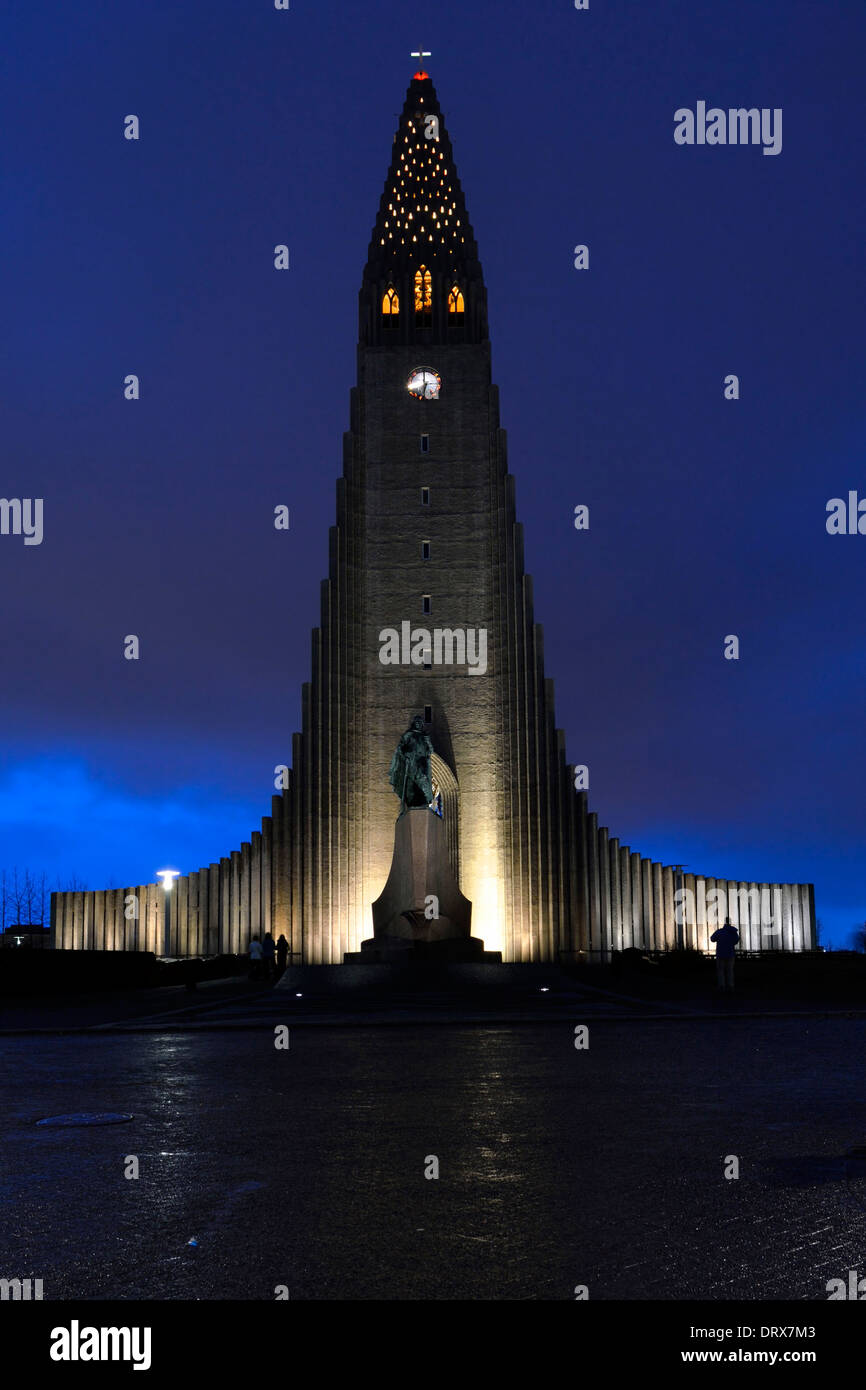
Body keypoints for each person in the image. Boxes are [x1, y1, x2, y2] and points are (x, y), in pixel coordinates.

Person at [710, 917, 739, 994]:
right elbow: (736, 941)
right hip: (730, 954)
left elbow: (712, 939)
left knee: (720, 971)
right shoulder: (733, 932)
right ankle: (730, 986)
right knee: (730, 971)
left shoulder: (720, 932)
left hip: (721, 954)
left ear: (724, 923)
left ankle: (722, 986)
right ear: (730, 922)